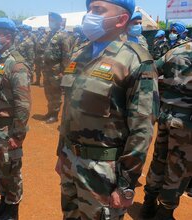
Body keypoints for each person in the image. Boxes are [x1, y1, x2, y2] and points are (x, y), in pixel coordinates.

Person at [55, 0, 159, 219]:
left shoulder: (136, 61)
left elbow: (142, 129)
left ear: (121, 20)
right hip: (70, 161)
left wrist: (126, 184)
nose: (89, 15)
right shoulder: (80, 53)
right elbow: (69, 110)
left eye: (98, 10)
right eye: (89, 9)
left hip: (103, 171)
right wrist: (61, 153)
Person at [0, 17, 31, 220]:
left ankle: (12, 211)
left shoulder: (16, 64)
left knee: (11, 170)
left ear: (8, 37)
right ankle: (4, 203)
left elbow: (23, 104)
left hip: (7, 128)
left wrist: (17, 134)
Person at [140, 33, 192, 220]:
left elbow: (151, 70)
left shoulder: (176, 50)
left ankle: (148, 204)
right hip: (187, 123)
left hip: (165, 115)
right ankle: (165, 212)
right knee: (178, 167)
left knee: (159, 160)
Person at [39, 12, 73, 124]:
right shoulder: (49, 34)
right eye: (49, 20)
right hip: (47, 68)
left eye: (53, 20)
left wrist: (64, 71)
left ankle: (54, 115)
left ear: (59, 22)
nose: (50, 22)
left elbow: (66, 55)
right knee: (48, 91)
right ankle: (50, 112)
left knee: (56, 92)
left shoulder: (64, 35)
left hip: (56, 69)